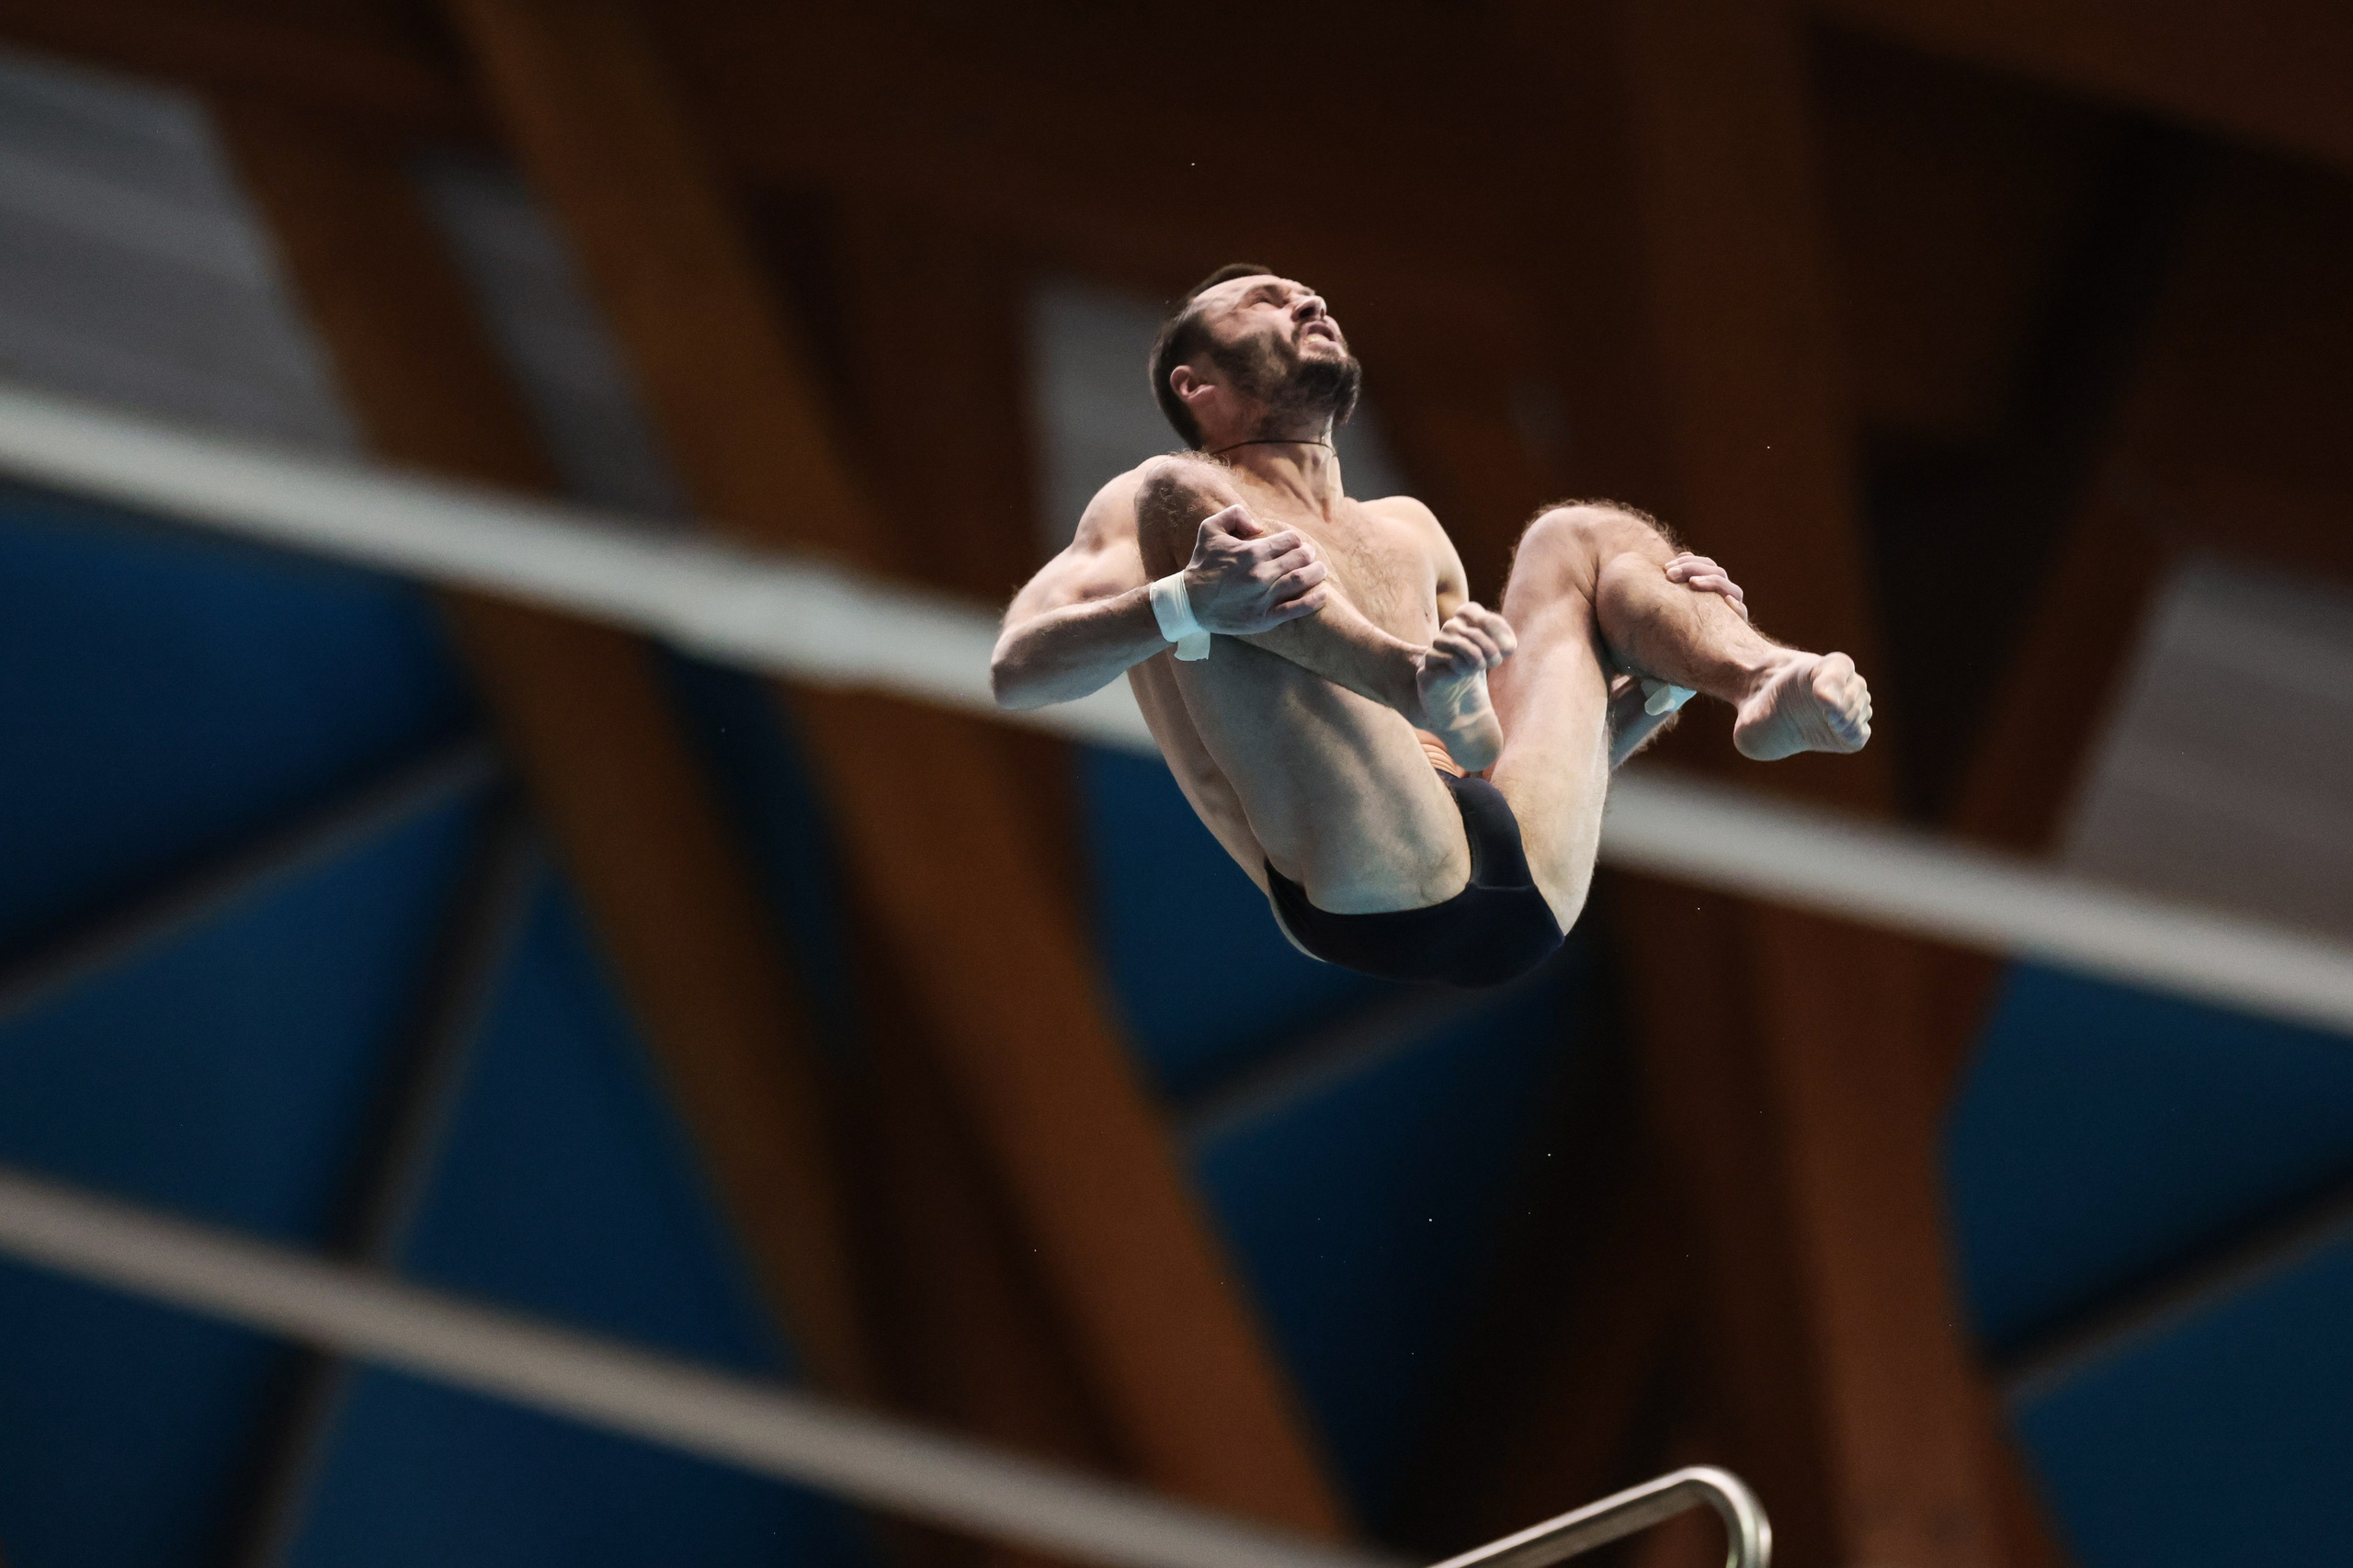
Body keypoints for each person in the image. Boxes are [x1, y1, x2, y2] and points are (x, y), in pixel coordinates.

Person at [991, 264, 1871, 987]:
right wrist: (1183, 602)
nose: (1308, 299)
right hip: (1364, 879)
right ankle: (1393, 674)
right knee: (1177, 491)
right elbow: (1018, 673)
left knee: (1582, 534)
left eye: (1308, 292)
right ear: (1199, 383)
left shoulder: (1411, 529)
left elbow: (1499, 747)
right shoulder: (1156, 508)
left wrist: (1663, 678)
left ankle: (1761, 677)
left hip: (1522, 876)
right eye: (1266, 300)